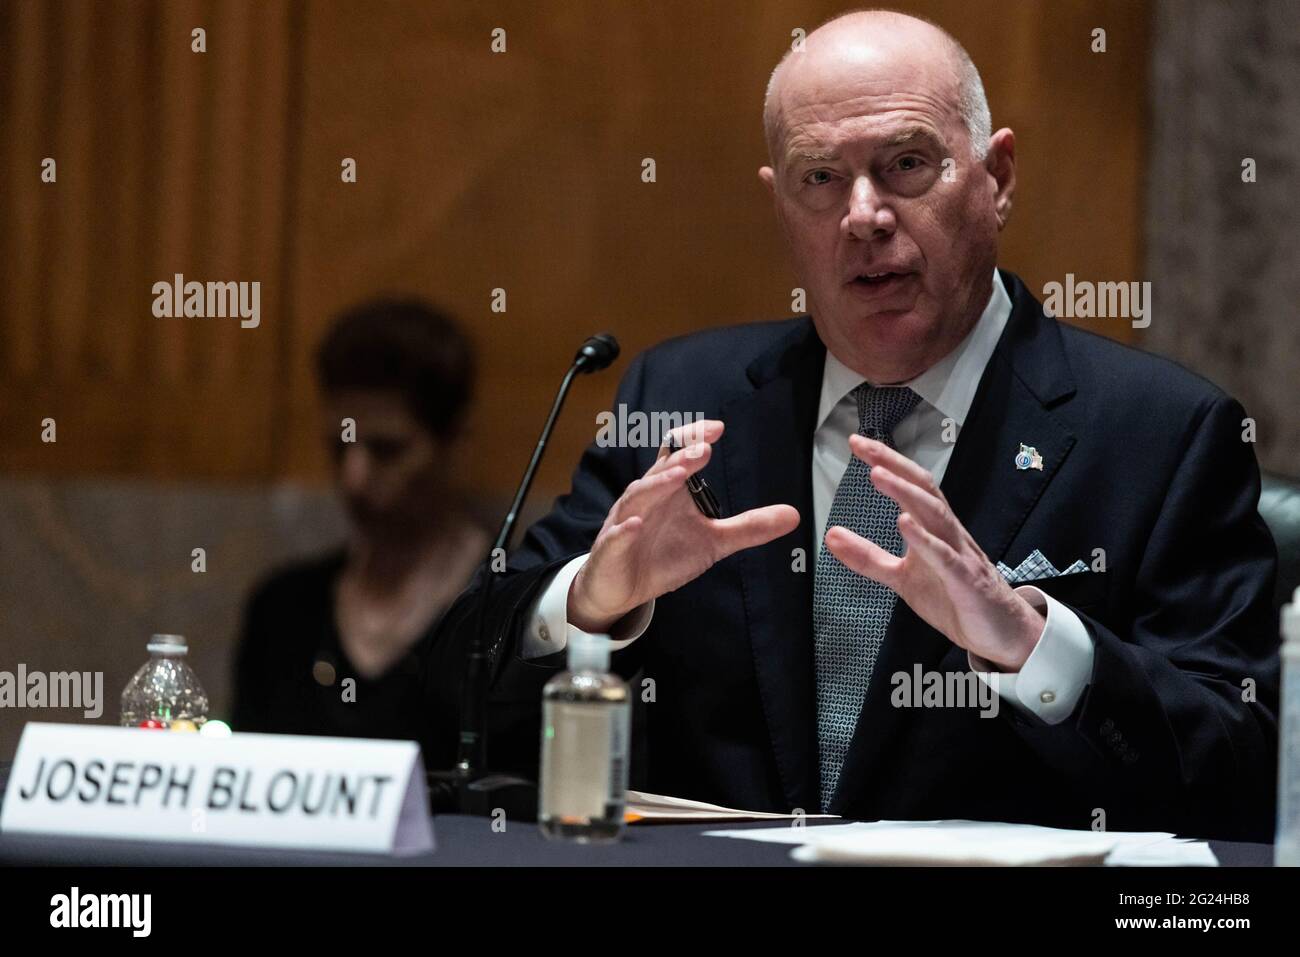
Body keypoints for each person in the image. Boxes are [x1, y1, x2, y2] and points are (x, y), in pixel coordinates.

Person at [450, 9, 1279, 840]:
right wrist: (592, 600)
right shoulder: (685, 396)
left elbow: (1245, 776)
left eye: (907, 164)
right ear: (781, 205)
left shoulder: (1160, 433)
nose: (864, 215)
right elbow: (452, 696)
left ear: (998, 177)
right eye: (820, 178)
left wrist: (1032, 644)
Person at [233, 298, 487, 754]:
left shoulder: (504, 613)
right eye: (339, 448)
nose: (354, 478)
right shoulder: (282, 610)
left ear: (454, 444)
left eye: (386, 450)